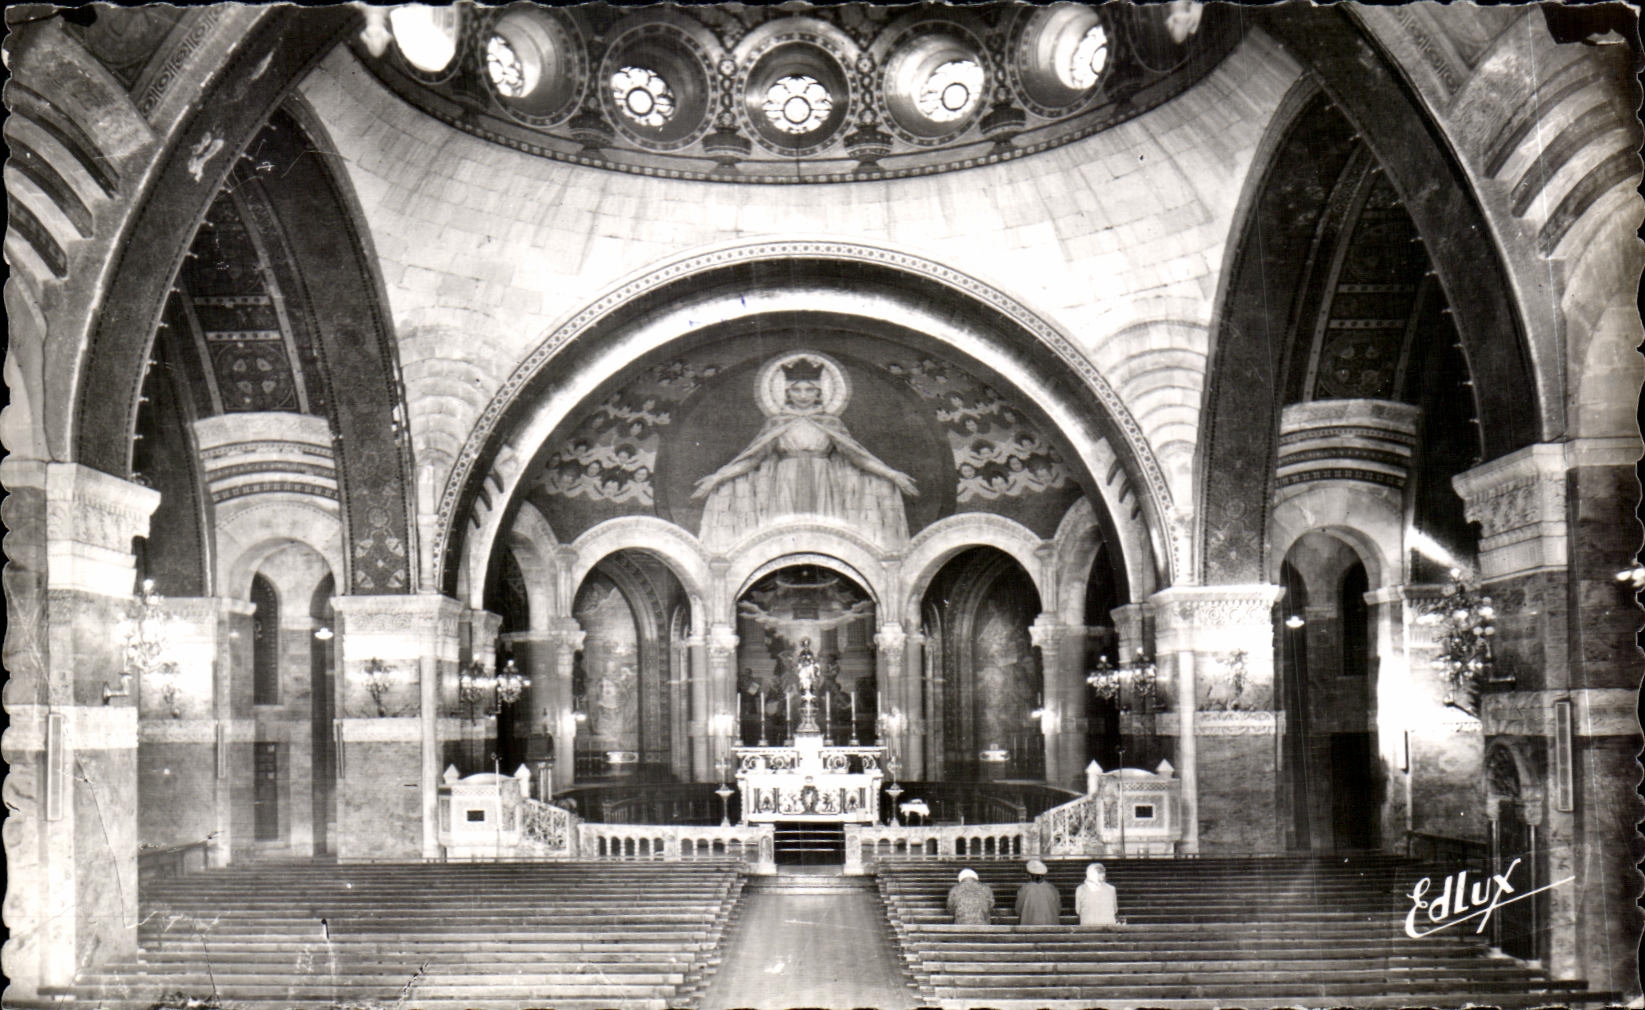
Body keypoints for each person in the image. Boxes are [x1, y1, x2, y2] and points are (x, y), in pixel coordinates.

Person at [693, 353, 917, 549]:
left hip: (823, 481)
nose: (803, 395)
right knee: (785, 533)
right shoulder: (777, 423)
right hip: (785, 482)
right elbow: (751, 459)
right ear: (787, 392)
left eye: (809, 389)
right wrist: (717, 477)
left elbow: (858, 457)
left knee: (825, 532)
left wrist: (892, 475)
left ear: (819, 392)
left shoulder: (830, 423)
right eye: (797, 390)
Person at [1015, 859, 1061, 925]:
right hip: (1050, 925)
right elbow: (1058, 909)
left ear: (1030, 876)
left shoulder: (1024, 889)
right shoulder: (1052, 889)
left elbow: (1018, 910)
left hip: (1029, 925)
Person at [1075, 862, 1118, 926]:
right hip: (1108, 929)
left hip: (1088, 928)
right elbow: (1115, 910)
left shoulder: (1080, 889)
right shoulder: (1111, 889)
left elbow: (1077, 911)